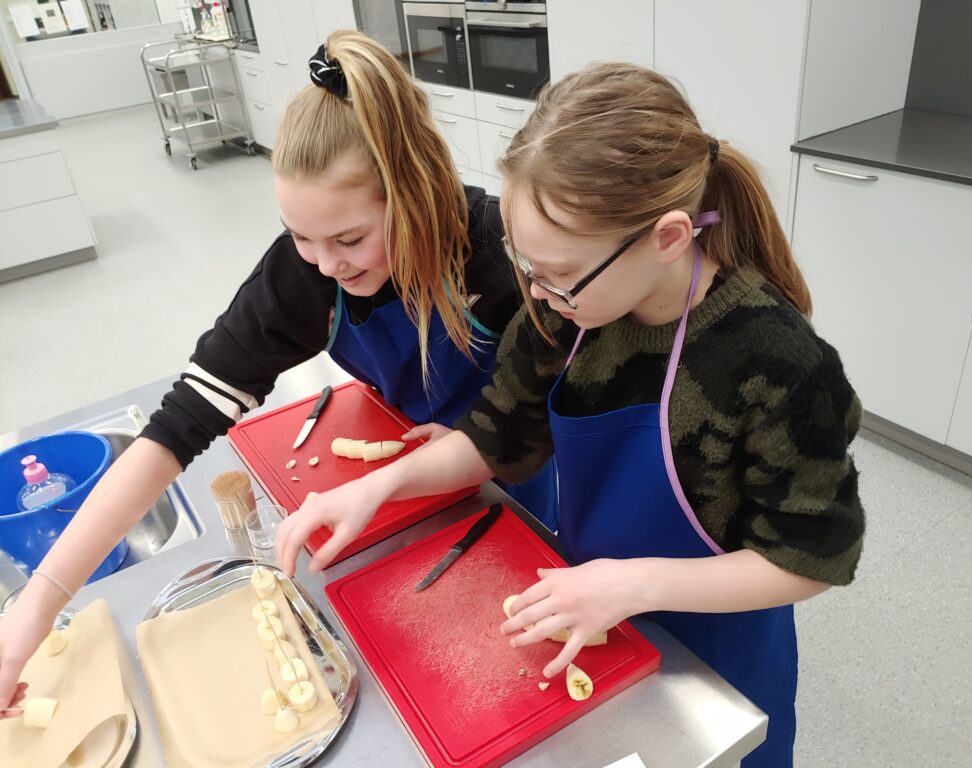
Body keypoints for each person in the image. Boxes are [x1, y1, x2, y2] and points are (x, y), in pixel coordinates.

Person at [276, 61, 865, 766]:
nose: (536, 293)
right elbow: (497, 434)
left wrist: (632, 584)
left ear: (668, 238)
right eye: (528, 268)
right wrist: (379, 487)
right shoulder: (565, 313)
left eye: (557, 273)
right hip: (593, 616)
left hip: (718, 655)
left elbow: (812, 558)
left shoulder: (774, 361)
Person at [0, 29, 554, 719]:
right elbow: (178, 424)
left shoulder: (500, 255)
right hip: (418, 486)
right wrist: (35, 609)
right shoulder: (309, 272)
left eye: (350, 239)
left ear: (415, 194)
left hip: (529, 485)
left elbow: (548, 410)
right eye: (300, 236)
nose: (325, 265)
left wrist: (468, 442)